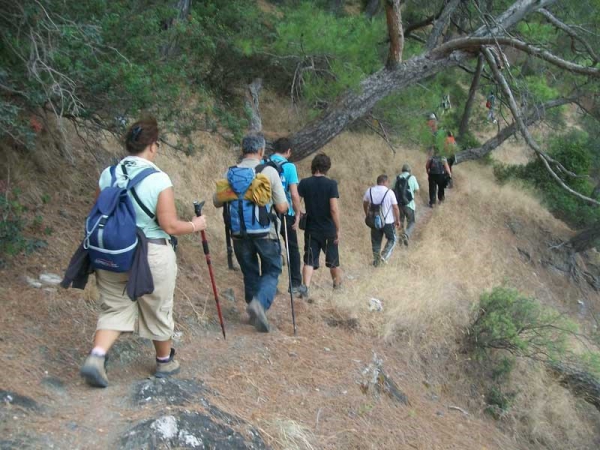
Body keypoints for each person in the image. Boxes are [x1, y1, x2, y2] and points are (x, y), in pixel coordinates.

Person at [80, 117, 207, 388]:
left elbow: (100, 211)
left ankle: (97, 356)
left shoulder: (109, 174)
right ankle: (164, 361)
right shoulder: (158, 179)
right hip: (151, 253)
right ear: (152, 145)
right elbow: (169, 225)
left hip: (111, 253)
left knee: (114, 306)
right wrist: (196, 225)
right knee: (158, 307)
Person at [214, 134, 288, 332]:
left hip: (238, 233)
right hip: (266, 233)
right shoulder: (268, 171)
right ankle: (259, 305)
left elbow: (217, 201)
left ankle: (253, 312)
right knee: (273, 270)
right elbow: (281, 207)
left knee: (250, 271)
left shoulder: (230, 172)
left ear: (242, 149)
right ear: (261, 151)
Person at [297, 153, 341, 298]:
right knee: (333, 260)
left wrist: (301, 212)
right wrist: (338, 228)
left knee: (309, 259)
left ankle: (305, 288)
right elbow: (333, 209)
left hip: (311, 228)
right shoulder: (331, 184)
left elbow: (296, 200)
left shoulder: (304, 183)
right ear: (327, 167)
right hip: (328, 228)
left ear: (313, 166)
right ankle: (337, 286)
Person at [266, 138, 302, 295]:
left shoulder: (264, 163)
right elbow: (294, 194)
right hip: (285, 212)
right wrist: (298, 213)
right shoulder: (289, 167)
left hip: (266, 212)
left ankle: (269, 282)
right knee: (292, 248)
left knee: (269, 246)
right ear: (288, 151)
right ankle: (294, 284)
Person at [363, 175, 400, 266]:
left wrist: (367, 214)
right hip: (388, 222)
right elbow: (395, 207)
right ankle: (384, 256)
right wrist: (397, 220)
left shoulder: (370, 191)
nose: (388, 184)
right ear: (384, 182)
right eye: (387, 182)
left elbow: (365, 203)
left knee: (376, 242)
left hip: (374, 221)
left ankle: (376, 261)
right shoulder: (389, 192)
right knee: (393, 239)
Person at [395, 164, 420, 246]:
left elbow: (392, 189)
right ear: (409, 171)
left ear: (402, 170)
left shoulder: (397, 178)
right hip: (409, 204)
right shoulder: (412, 177)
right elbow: (417, 190)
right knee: (411, 221)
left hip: (399, 205)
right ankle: (406, 234)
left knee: (401, 221)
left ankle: (401, 239)